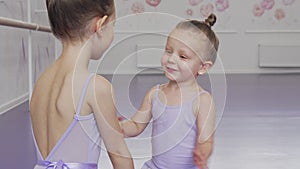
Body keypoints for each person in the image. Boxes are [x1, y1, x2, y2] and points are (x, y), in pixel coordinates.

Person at [30, 0, 134, 169]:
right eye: (113, 25)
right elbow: (120, 157)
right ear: (100, 25)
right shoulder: (96, 87)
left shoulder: (41, 82)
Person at [120, 14, 219, 169]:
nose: (171, 59)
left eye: (183, 56)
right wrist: (119, 127)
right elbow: (136, 125)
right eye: (168, 51)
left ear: (202, 67)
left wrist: (203, 152)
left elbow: (206, 140)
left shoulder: (202, 101)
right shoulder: (155, 94)